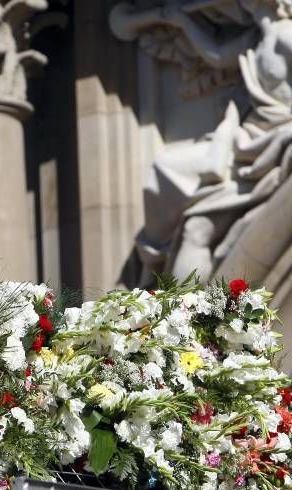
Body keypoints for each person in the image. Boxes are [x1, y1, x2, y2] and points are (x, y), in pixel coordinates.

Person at [115, 0, 292, 287]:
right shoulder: (256, 37)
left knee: (196, 226)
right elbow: (218, 56)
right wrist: (180, 21)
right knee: (165, 169)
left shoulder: (286, 36)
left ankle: (176, 311)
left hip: (269, 141)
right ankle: (153, 263)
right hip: (246, 138)